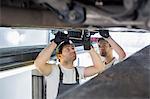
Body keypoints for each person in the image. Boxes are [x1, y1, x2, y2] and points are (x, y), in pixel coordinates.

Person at [34, 31, 105, 99]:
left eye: (73, 49)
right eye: (68, 49)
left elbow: (100, 68)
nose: (72, 51)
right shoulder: (53, 70)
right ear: (59, 56)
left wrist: (89, 48)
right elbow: (38, 63)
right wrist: (54, 43)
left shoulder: (78, 72)